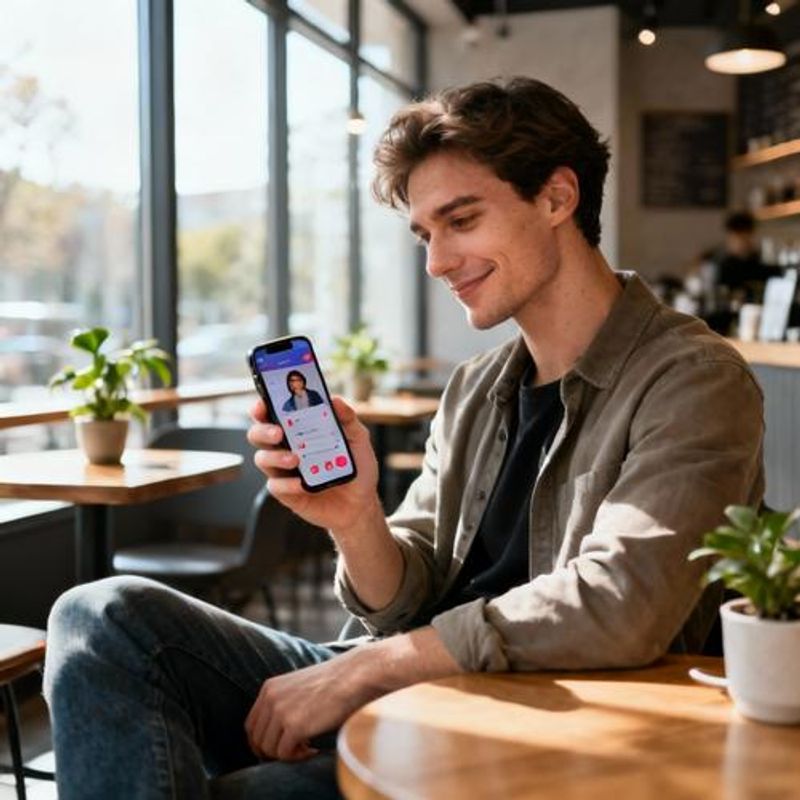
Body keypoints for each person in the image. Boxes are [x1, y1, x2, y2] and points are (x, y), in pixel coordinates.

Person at [43, 77, 765, 799]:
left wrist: (363, 669)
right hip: (410, 684)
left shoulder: (693, 379)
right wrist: (355, 517)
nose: (437, 262)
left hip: (536, 723)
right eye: (425, 233)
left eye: (462, 220)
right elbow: (402, 595)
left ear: (556, 197)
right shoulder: (477, 387)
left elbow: (621, 604)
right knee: (99, 617)